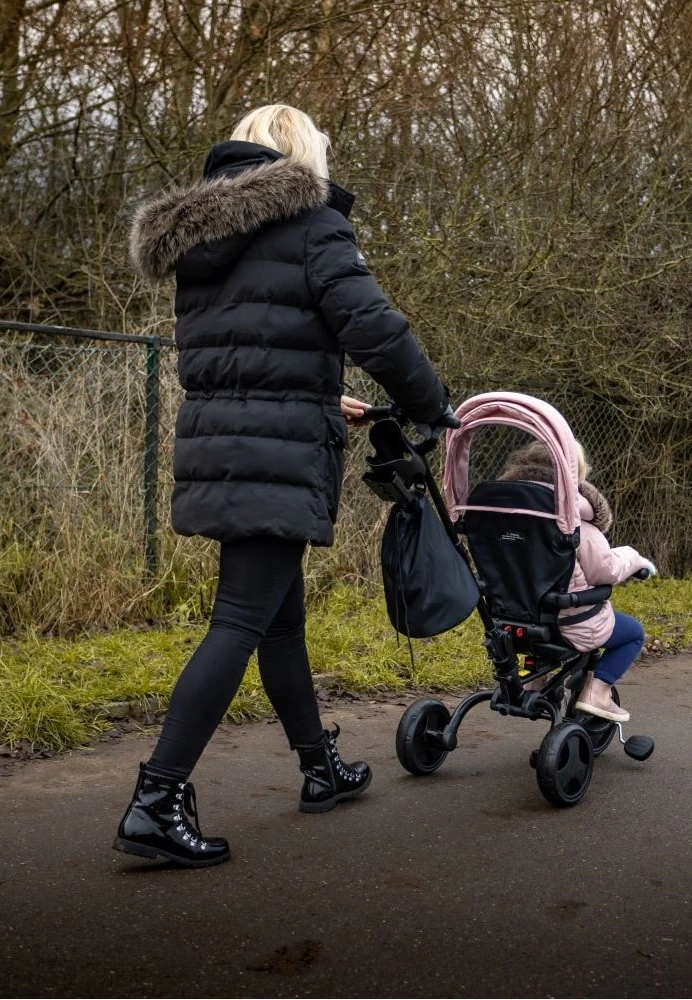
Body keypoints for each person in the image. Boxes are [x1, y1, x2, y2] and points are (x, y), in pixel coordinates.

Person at [117, 104, 455, 867]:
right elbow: (375, 328)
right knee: (239, 620)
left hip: (229, 447)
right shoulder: (312, 224)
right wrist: (435, 405)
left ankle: (318, 767)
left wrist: (315, 391)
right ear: (301, 158)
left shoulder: (202, 234)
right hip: (277, 454)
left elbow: (241, 347)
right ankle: (156, 799)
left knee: (278, 622)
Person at [499, 439, 656, 723]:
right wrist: (636, 559)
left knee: (539, 612)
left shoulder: (503, 518)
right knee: (632, 633)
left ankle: (534, 681)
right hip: (570, 623)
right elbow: (604, 571)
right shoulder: (572, 520)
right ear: (574, 474)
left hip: (511, 620)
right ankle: (597, 692)